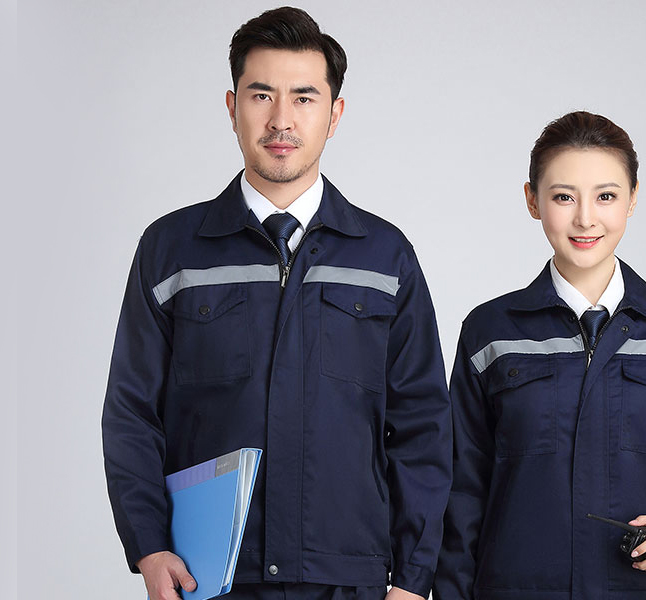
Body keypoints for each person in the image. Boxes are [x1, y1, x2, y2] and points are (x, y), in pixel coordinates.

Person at [102, 7, 451, 600]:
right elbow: (131, 412)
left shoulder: (385, 257)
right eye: (261, 95)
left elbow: (422, 425)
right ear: (232, 106)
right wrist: (148, 545)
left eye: (304, 98)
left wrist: (414, 581)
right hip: (210, 577)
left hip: (349, 580)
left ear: (334, 114)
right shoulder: (172, 250)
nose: (281, 120)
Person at [433, 111, 646, 600]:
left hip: (640, 589)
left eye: (606, 196)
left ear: (633, 198)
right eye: (563, 197)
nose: (585, 218)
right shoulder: (490, 331)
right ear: (532, 200)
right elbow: (461, 488)